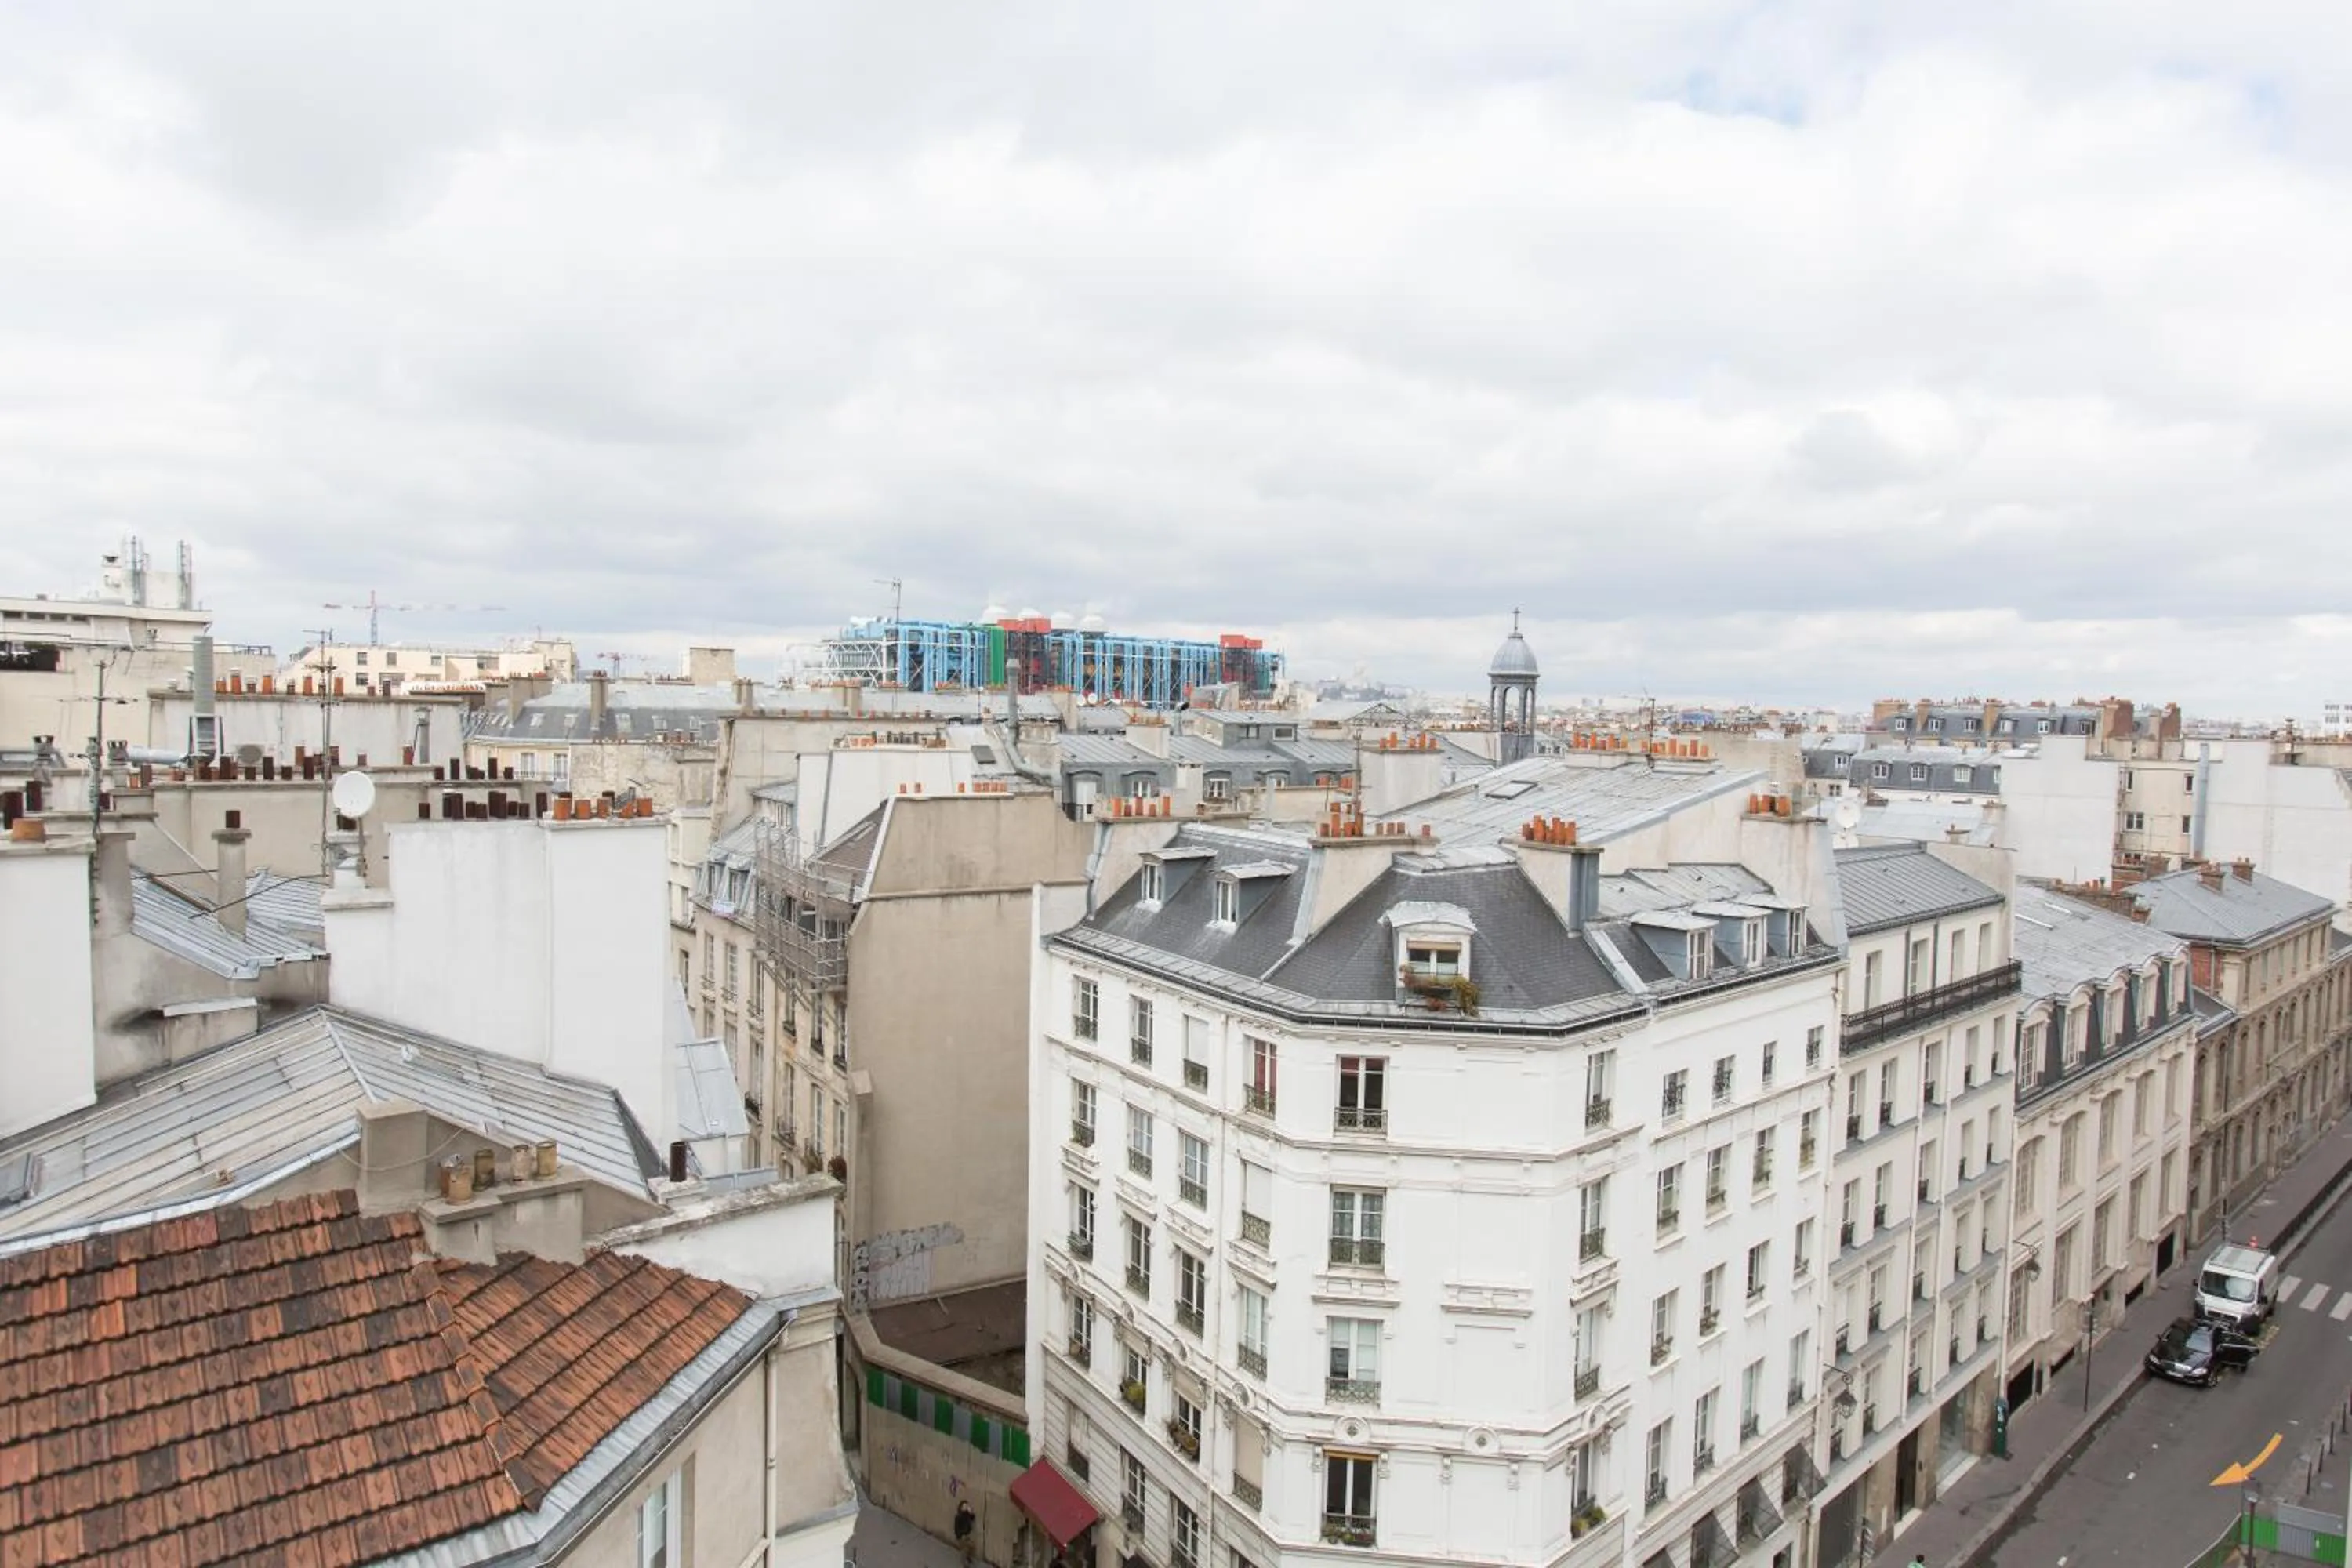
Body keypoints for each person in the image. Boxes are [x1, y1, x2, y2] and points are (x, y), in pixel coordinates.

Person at [954, 1501, 977, 1567]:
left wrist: (971, 1512)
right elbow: (957, 1529)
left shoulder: (967, 1515)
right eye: (964, 1506)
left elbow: (973, 1518)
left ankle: (968, 1557)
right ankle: (964, 1563)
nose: (966, 1507)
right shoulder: (958, 1517)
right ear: (961, 1508)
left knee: (972, 1547)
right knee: (964, 1549)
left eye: (966, 1506)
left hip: (967, 1534)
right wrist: (961, 1536)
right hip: (961, 1536)